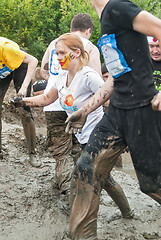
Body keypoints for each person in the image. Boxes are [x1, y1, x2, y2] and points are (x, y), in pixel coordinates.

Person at [59, 0, 161, 238]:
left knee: (152, 185)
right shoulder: (104, 20)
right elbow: (116, 78)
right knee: (87, 168)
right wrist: (85, 110)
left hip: (143, 109)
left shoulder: (118, 8)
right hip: (116, 111)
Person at [10, 33, 133, 219]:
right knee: (102, 178)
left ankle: (107, 216)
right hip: (82, 138)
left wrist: (123, 134)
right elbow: (46, 98)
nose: (57, 57)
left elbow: (110, 98)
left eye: (61, 53)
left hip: (98, 137)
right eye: (56, 53)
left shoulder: (88, 76)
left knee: (94, 178)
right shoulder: (61, 77)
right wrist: (22, 101)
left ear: (76, 53)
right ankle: (124, 214)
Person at [39, 13, 102, 196]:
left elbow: (44, 71)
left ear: (71, 27)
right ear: (88, 30)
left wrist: (57, 83)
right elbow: (99, 86)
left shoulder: (55, 43)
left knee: (60, 153)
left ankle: (66, 185)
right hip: (76, 107)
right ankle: (73, 191)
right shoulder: (89, 48)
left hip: (53, 104)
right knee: (76, 150)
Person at [0, 37, 41, 167]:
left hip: (20, 65)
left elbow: (33, 61)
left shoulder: (6, 49)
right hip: (3, 71)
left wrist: (23, 87)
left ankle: (33, 153)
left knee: (24, 108)